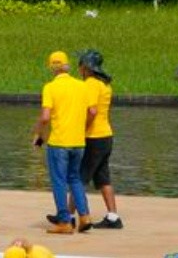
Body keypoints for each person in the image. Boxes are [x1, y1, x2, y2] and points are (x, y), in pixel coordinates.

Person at [34, 49, 91, 234]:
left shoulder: (50, 87)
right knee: (75, 179)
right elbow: (92, 112)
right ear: (67, 66)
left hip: (59, 143)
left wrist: (39, 134)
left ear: (52, 67)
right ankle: (84, 217)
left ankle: (65, 222)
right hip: (78, 142)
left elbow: (45, 118)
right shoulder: (82, 86)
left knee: (59, 181)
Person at [78, 49, 120, 229]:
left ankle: (67, 217)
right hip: (106, 136)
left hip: (94, 137)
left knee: (79, 178)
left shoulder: (91, 84)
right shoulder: (104, 84)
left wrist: (82, 129)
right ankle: (113, 217)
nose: (78, 69)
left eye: (80, 65)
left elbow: (92, 111)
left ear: (86, 67)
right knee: (103, 178)